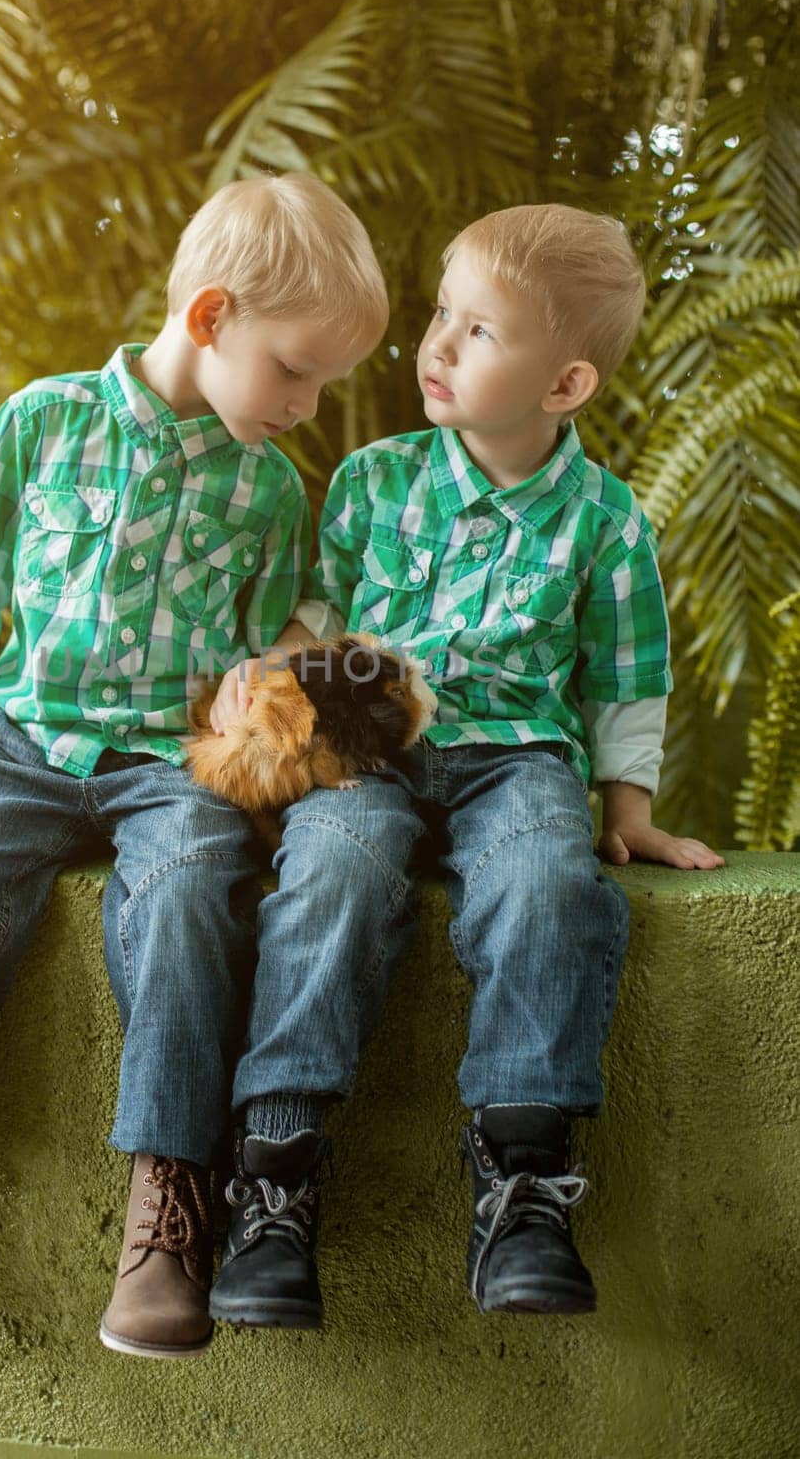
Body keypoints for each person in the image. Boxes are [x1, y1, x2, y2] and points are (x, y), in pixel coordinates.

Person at [0, 171, 422, 1360]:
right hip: (24, 741)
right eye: (294, 371)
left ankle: (169, 1206)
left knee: (184, 899)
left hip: (166, 764)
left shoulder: (269, 487)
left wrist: (257, 672)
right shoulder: (42, 420)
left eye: (322, 382)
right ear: (211, 316)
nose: (310, 405)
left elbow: (276, 632)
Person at [251, 203, 724, 1316]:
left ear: (561, 387)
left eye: (477, 332)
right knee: (328, 871)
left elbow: (624, 675)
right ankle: (272, 1173)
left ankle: (520, 1181)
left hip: (516, 763)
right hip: (373, 754)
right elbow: (310, 624)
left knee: (546, 882)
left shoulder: (606, 524)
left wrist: (630, 808)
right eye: (438, 318)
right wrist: (286, 706)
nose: (436, 346)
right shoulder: (373, 481)